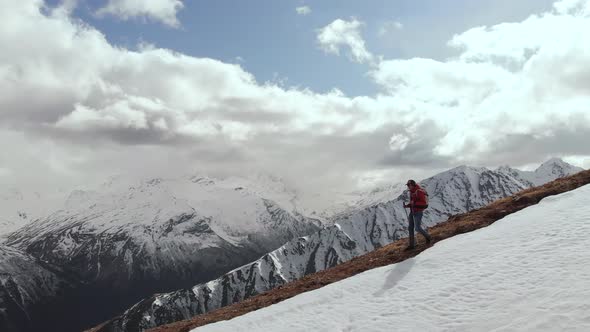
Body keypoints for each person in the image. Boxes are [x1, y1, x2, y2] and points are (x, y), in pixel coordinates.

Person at [403, 179, 431, 250]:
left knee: (417, 228)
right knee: (410, 228)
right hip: (412, 211)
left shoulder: (418, 191)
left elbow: (423, 203)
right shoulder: (412, 192)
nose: (408, 187)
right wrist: (408, 205)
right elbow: (413, 202)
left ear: (413, 185)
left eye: (409, 185)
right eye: (408, 185)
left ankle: (428, 237)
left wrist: (413, 204)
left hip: (418, 212)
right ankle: (412, 245)